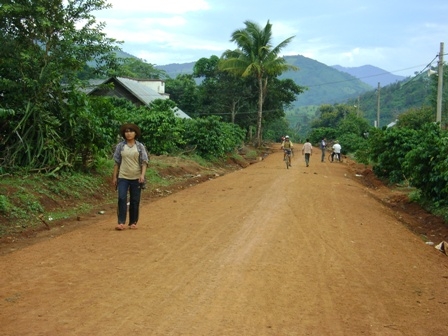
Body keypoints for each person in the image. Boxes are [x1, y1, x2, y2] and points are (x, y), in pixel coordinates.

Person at [112, 123, 149, 231]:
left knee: (134, 200)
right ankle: (121, 222)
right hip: (123, 176)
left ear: (135, 133)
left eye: (131, 131)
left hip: (136, 177)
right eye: (126, 132)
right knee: (121, 198)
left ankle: (133, 222)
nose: (128, 134)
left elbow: (144, 162)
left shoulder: (140, 146)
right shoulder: (120, 146)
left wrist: (142, 175)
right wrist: (115, 177)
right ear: (124, 133)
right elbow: (116, 162)